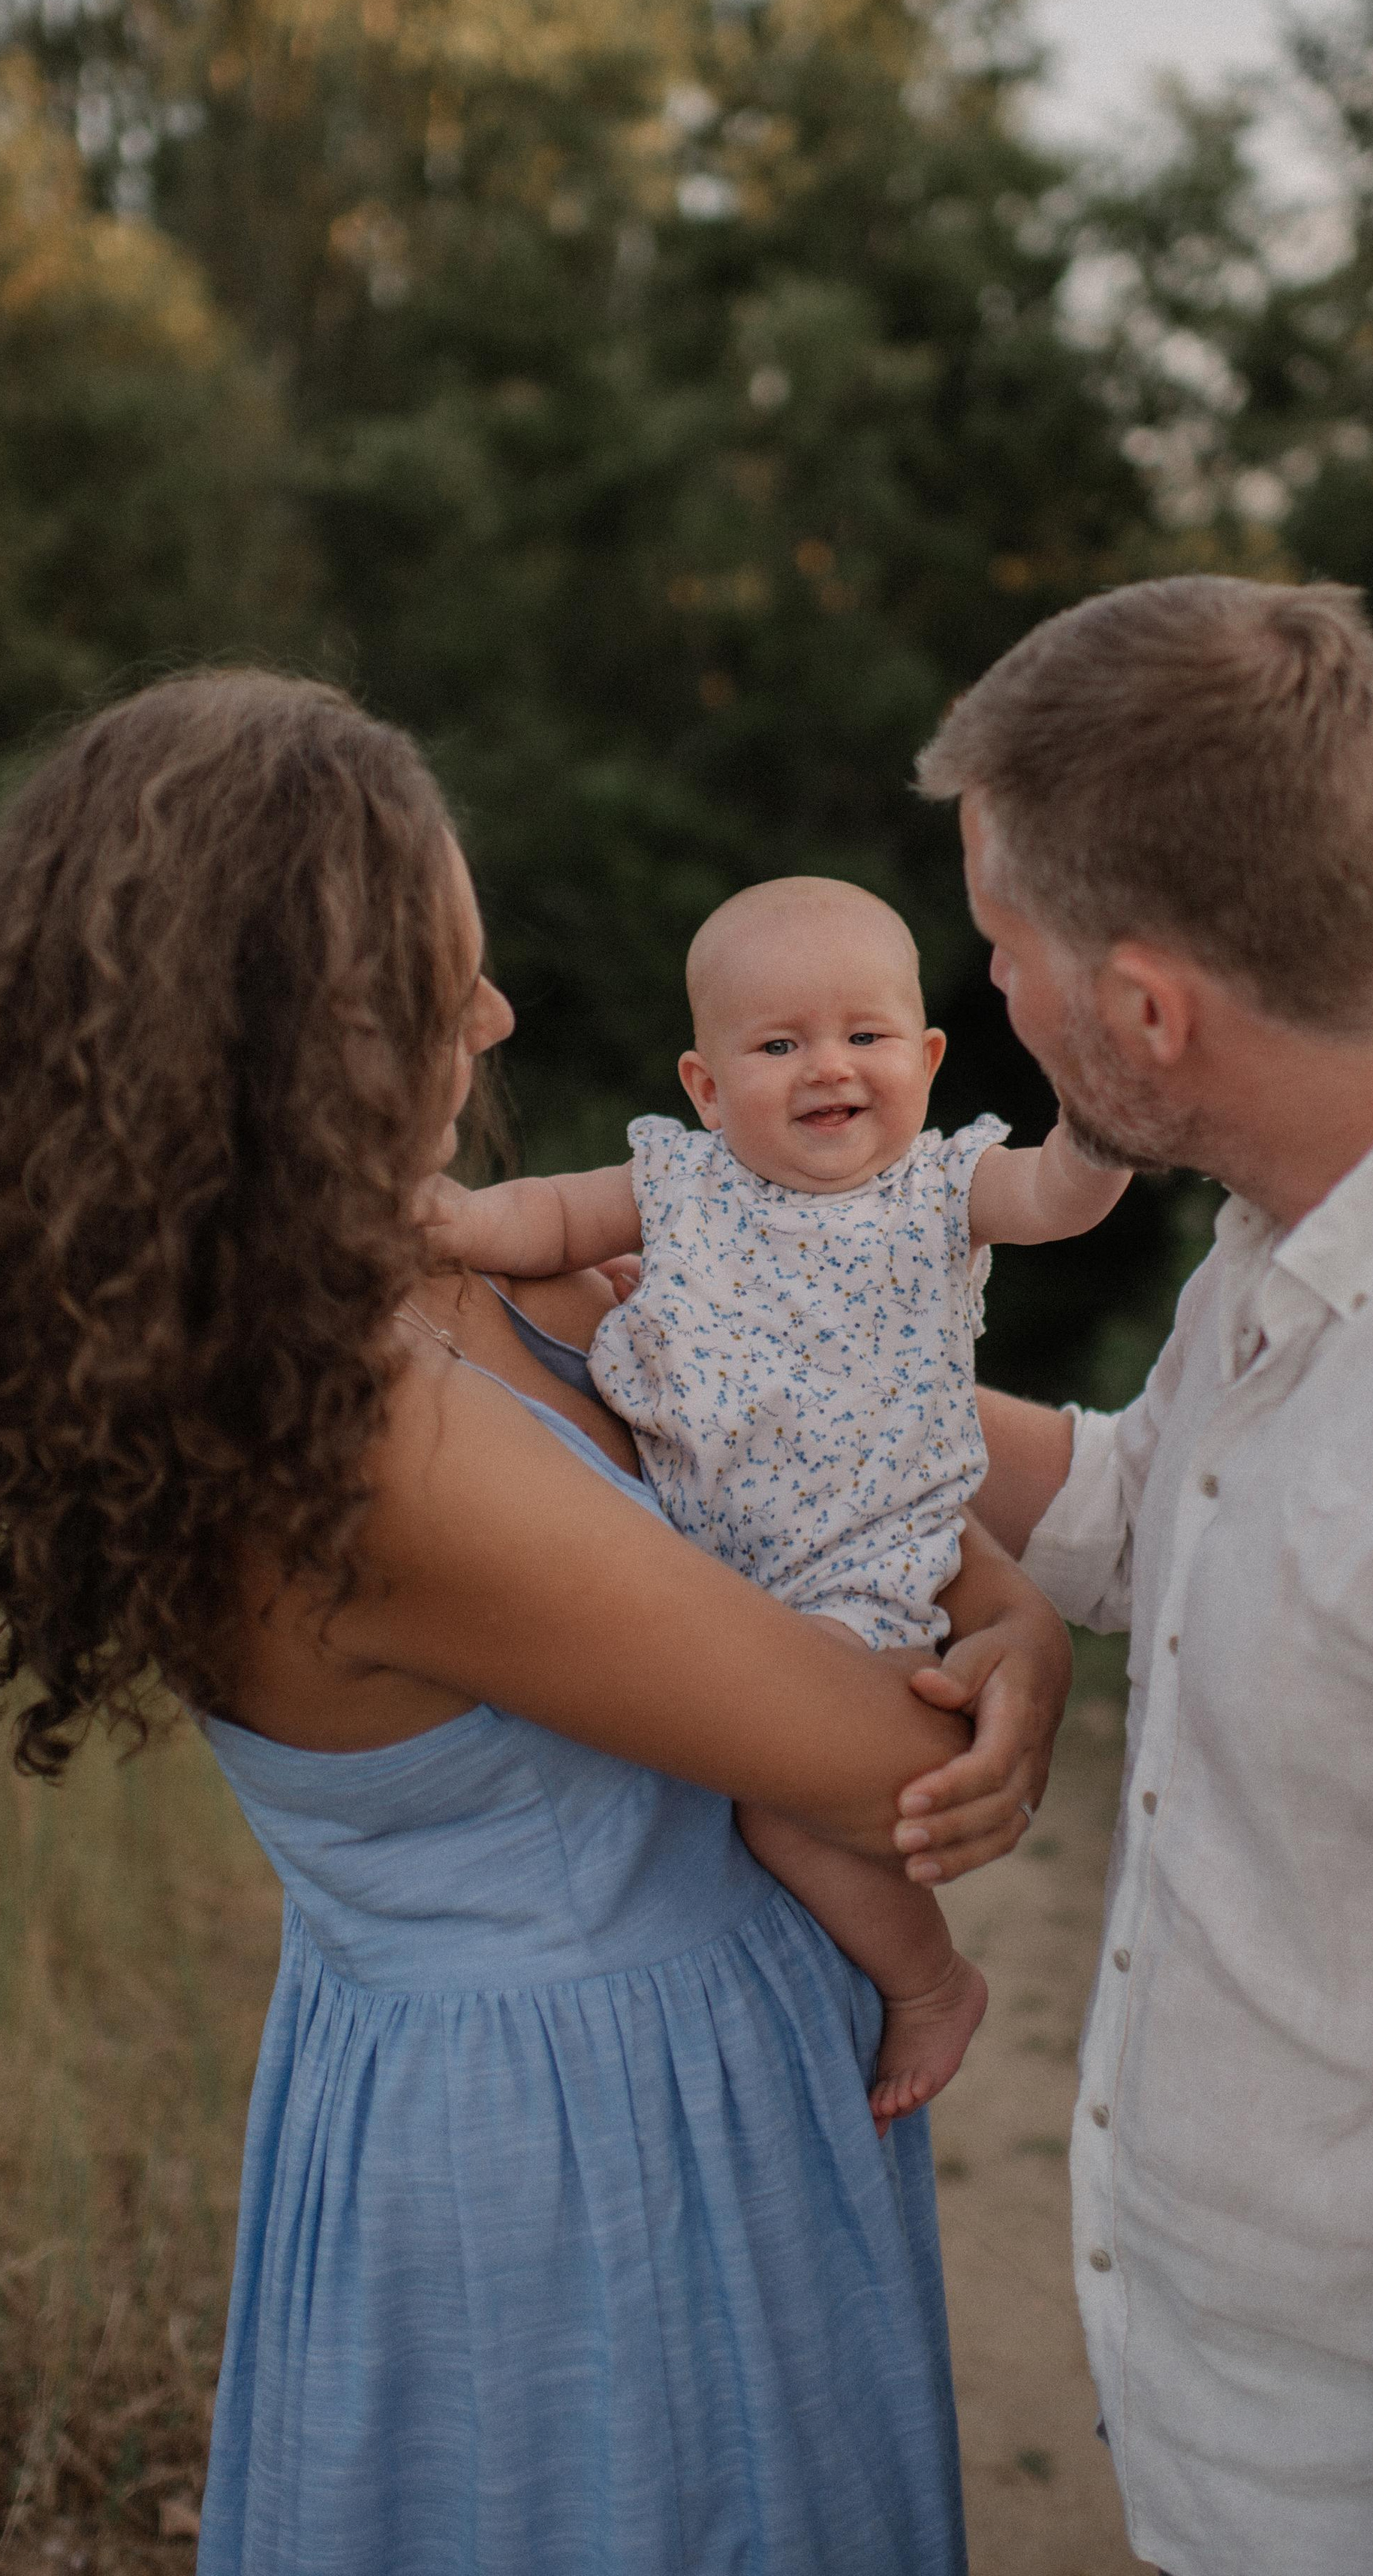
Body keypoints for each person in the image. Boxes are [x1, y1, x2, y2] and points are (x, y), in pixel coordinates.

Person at [0, 670, 1076, 2576]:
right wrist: (1002, 1674)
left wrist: (1013, 1609)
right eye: (447, 978)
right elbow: (880, 1748)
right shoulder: (359, 1439)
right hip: (589, 2152)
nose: (493, 1018)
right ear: (297, 1032)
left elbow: (806, 1452)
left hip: (625, 2077)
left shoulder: (408, 1280)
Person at [919, 575, 1373, 2576]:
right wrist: (783, 1373)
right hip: (1232, 2456)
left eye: (1002, 953)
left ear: (1147, 1007)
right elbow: (1158, 1509)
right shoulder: (1311, 1201)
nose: (989, 999)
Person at [432, 871, 1125, 2126]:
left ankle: (929, 1981)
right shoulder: (680, 1188)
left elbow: (1053, 1197)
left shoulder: (935, 1192)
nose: (829, 1068)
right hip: (709, 1558)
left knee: (781, 1810)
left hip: (861, 1574)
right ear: (705, 1086)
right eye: (780, 1044)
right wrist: (451, 1218)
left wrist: (1101, 1129)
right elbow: (538, 1220)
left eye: (866, 1036)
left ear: (924, 1056)